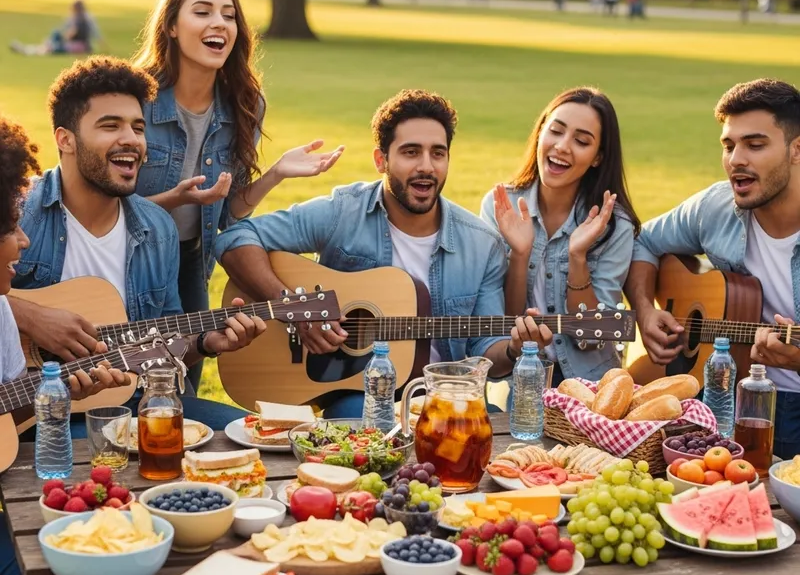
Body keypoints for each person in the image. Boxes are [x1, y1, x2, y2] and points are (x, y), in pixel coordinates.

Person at [216, 89, 551, 417]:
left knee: (491, 425)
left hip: (443, 397)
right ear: (381, 160)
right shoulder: (344, 211)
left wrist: (513, 347)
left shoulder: (482, 245)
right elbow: (234, 238)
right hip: (357, 394)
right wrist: (293, 307)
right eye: (410, 152)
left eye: (438, 153)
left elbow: (485, 353)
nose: (426, 166)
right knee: (362, 424)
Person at [7, 56, 267, 430]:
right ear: (65, 139)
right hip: (34, 416)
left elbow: (166, 340)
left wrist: (207, 342)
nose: (131, 139)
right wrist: (31, 316)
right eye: (110, 126)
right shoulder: (17, 210)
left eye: (138, 127)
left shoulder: (158, 227)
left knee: (251, 435)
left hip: (132, 403)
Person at [132, 0, 343, 392]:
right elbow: (99, 209)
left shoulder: (243, 105)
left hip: (190, 260)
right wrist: (175, 199)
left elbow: (230, 212)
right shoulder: (136, 98)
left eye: (229, 15)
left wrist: (278, 173)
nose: (219, 24)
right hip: (128, 257)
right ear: (171, 25)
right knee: (123, 374)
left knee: (177, 386)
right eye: (203, 11)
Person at [0, 116, 133, 575]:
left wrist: (55, 394)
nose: (23, 240)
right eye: (8, 225)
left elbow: (7, 417)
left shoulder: (2, 311)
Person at [625, 78, 800, 458]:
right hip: (717, 398)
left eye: (755, 145)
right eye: (728, 145)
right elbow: (644, 243)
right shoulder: (716, 208)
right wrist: (645, 311)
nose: (736, 159)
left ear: (796, 150)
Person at [480, 87, 640, 385]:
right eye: (556, 131)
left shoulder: (615, 225)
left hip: (592, 382)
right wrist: (519, 254)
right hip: (525, 377)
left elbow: (593, 336)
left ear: (597, 158)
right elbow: (505, 325)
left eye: (581, 141)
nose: (563, 146)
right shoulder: (501, 205)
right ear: (540, 133)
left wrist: (577, 256)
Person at [10, 0, 104, 56]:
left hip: (77, 46)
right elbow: (96, 33)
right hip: (82, 46)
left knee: (51, 46)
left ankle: (27, 50)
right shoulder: (85, 18)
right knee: (53, 40)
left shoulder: (79, 20)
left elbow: (71, 34)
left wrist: (60, 39)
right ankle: (30, 49)